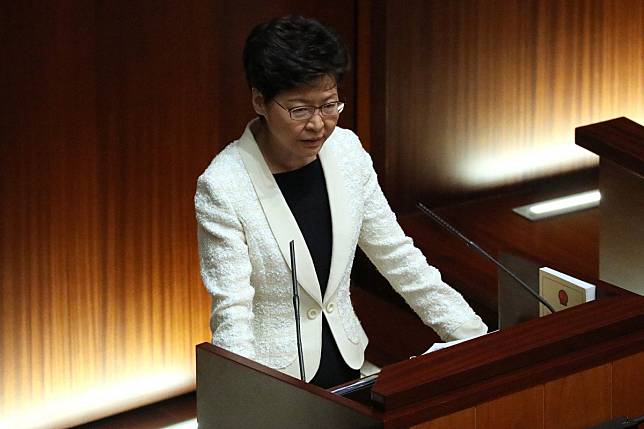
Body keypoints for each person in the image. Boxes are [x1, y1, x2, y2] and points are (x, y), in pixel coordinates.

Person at [195, 15, 487, 389]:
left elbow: (399, 258)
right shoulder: (223, 187)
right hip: (280, 387)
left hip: (351, 369)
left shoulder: (347, 152)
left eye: (329, 105)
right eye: (300, 110)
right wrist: (252, 402)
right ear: (259, 100)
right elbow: (233, 313)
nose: (318, 124)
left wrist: (472, 336)